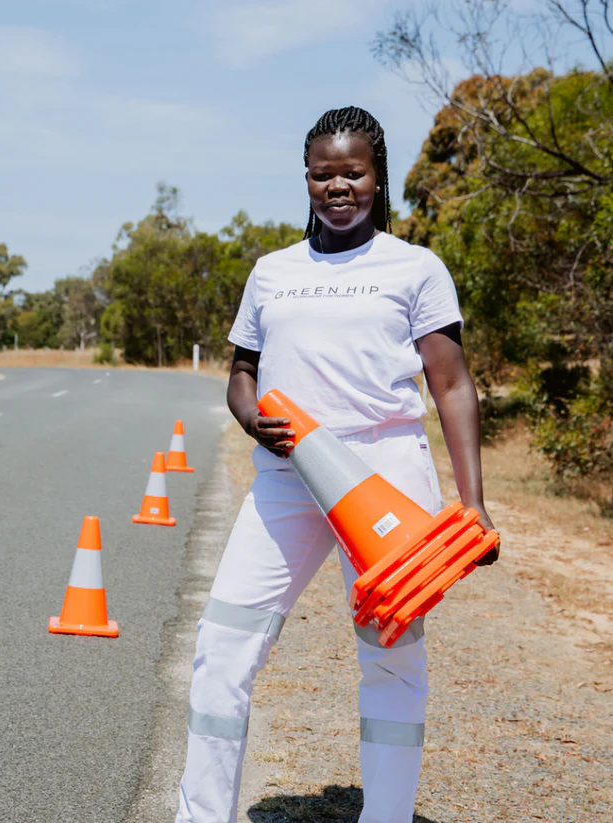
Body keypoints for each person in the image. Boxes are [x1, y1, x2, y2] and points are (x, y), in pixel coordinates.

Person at [174, 106, 499, 823]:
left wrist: (471, 502)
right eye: (323, 175)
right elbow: (240, 372)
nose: (338, 186)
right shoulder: (271, 271)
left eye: (352, 172)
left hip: (385, 474)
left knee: (389, 655)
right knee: (222, 645)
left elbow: (450, 383)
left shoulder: (415, 267)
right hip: (289, 476)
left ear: (377, 178)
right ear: (307, 179)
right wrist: (248, 416)